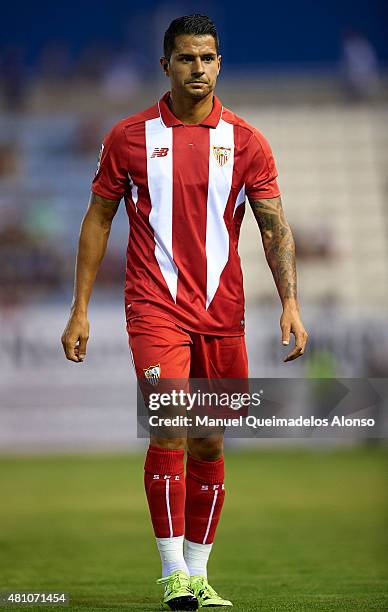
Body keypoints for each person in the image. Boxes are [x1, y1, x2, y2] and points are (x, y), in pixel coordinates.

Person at [61, 14, 308, 610]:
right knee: (169, 425)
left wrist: (291, 304)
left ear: (220, 63)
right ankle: (172, 574)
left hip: (223, 313)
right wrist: (80, 309)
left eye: (209, 58)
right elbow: (98, 220)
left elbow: (274, 228)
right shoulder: (129, 137)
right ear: (165, 64)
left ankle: (198, 573)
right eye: (187, 58)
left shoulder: (247, 142)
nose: (199, 68)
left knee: (209, 444)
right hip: (154, 306)